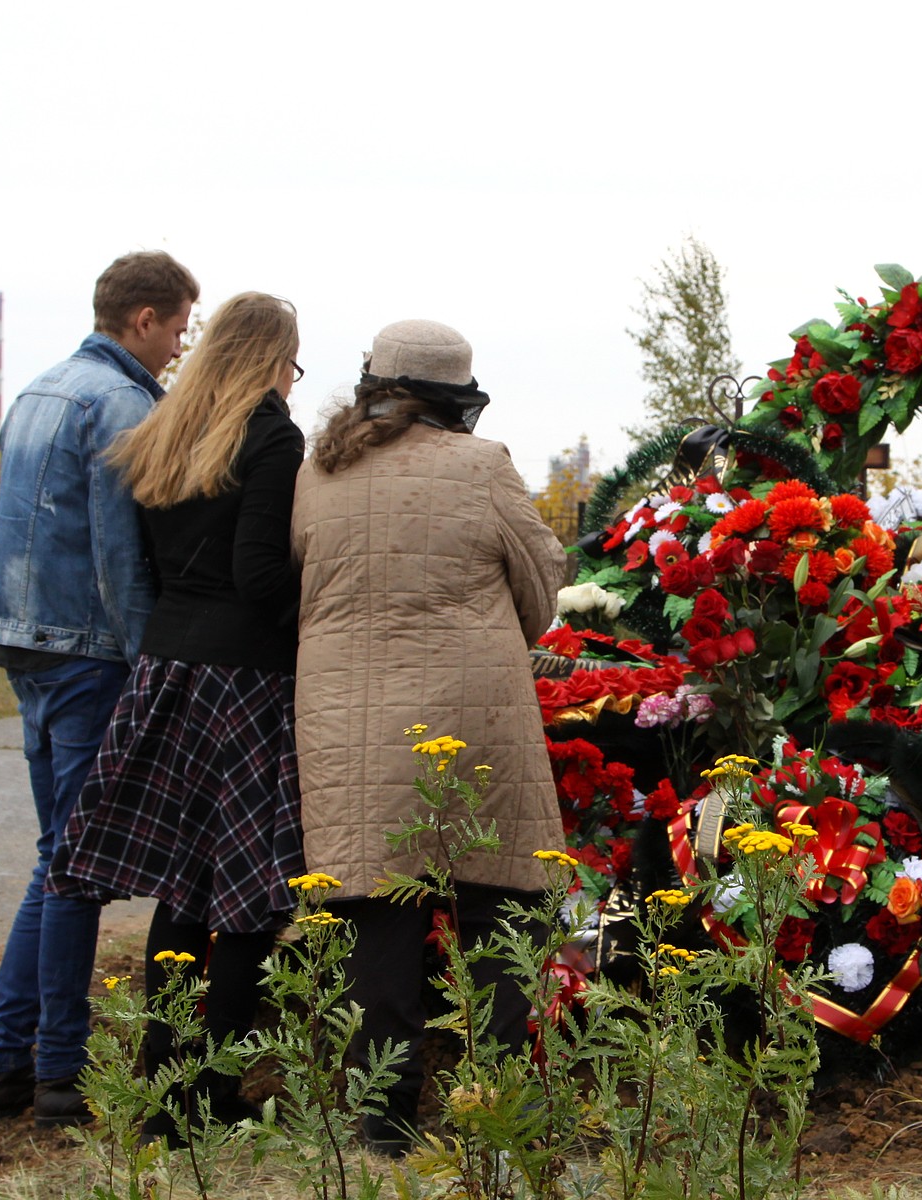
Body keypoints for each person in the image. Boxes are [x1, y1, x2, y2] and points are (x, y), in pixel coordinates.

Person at [291, 319, 566, 1156]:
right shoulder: (484, 466)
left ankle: (383, 1121)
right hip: (473, 712)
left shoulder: (319, 471)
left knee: (376, 912)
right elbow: (542, 581)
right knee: (496, 900)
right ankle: (498, 1108)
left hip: (346, 714)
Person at [52, 292, 307, 1139]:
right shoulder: (270, 437)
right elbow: (262, 575)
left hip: (168, 668)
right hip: (244, 680)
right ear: (273, 359)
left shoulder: (164, 431)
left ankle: (165, 1085)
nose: (292, 381)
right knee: (242, 893)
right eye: (292, 363)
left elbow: (150, 568)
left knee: (185, 888)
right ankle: (210, 1095)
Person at [0, 251, 199, 1128]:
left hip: (24, 641)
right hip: (88, 652)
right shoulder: (120, 404)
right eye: (180, 328)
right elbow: (119, 554)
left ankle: (6, 1063)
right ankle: (56, 1075)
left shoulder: (39, 390)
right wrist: (155, 665)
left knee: (54, 858)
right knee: (73, 869)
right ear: (142, 318)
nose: (182, 347)